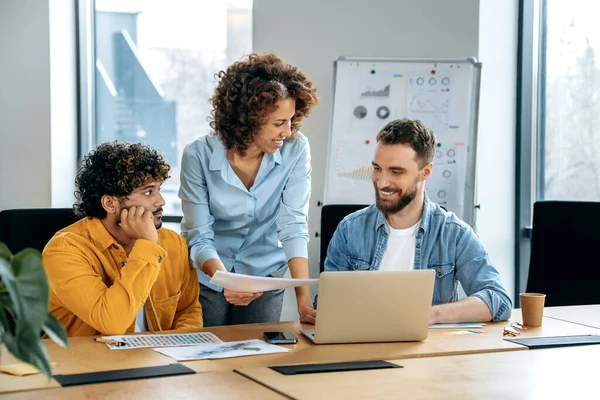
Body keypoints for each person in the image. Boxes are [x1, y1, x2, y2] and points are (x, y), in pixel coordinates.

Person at [323, 118, 512, 324]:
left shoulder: (453, 234)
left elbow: (498, 300)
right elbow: (325, 305)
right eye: (377, 168)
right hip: (360, 350)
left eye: (396, 172)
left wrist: (431, 314)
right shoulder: (349, 230)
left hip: (425, 353)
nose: (382, 182)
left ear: (426, 172)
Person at [179, 52, 319, 326]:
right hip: (210, 275)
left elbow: (293, 225)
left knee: (257, 354)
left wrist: (305, 301)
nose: (287, 132)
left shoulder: (296, 149)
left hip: (263, 275)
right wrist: (227, 281)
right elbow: (199, 236)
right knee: (208, 354)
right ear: (247, 119)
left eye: (291, 120)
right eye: (278, 123)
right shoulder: (198, 156)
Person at [43, 142, 203, 336]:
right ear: (110, 203)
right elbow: (112, 323)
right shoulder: (65, 250)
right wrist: (146, 246)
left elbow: (188, 310)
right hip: (88, 362)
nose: (161, 201)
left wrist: (179, 349)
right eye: (148, 191)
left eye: (159, 189)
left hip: (157, 359)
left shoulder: (173, 243)